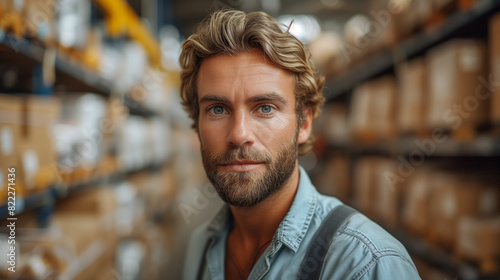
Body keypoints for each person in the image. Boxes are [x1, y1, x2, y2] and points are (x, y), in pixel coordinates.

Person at [180, 9, 421, 280]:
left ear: (304, 123)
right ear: (196, 124)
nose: (239, 134)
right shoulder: (201, 246)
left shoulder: (364, 264)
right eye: (217, 110)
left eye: (265, 108)